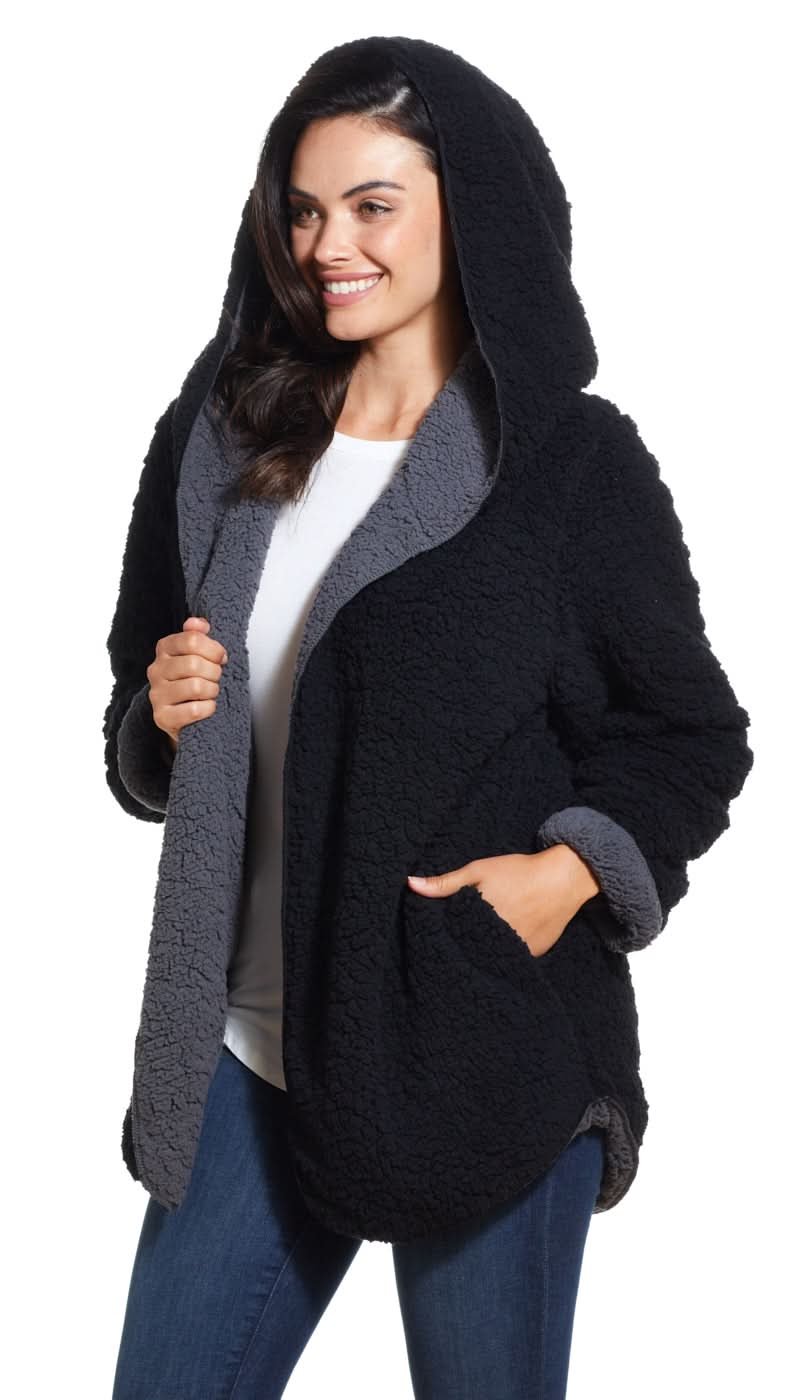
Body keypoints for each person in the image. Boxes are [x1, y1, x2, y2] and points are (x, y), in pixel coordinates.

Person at [105, 36, 754, 1399]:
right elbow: (144, 694)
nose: (327, 246)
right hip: (248, 1048)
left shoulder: (567, 466)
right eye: (303, 209)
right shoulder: (223, 440)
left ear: (474, 210)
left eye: (372, 205)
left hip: (480, 1042)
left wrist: (567, 874)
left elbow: (689, 733)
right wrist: (157, 714)